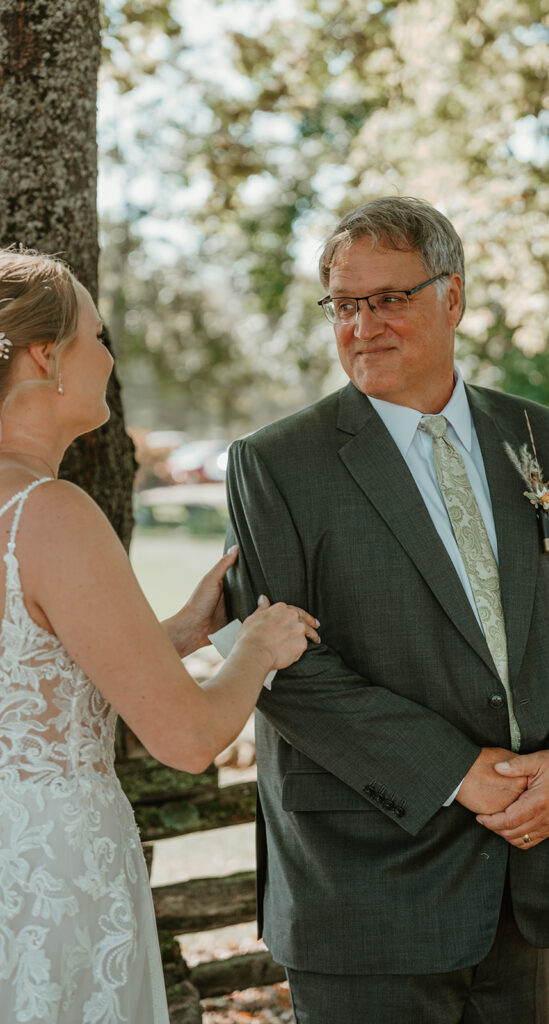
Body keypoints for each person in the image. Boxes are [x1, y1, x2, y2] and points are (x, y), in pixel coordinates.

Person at [223, 197, 549, 1023]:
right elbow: (279, 667)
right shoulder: (276, 463)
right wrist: (455, 772)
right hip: (364, 889)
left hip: (523, 874)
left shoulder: (539, 436)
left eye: (390, 298)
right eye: (345, 304)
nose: (363, 325)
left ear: (451, 297)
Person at [0, 247, 319, 1024]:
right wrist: (259, 646)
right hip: (46, 872)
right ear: (47, 357)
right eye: (97, 336)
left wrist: (176, 633)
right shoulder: (50, 513)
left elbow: (31, 670)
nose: (109, 358)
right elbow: (186, 737)